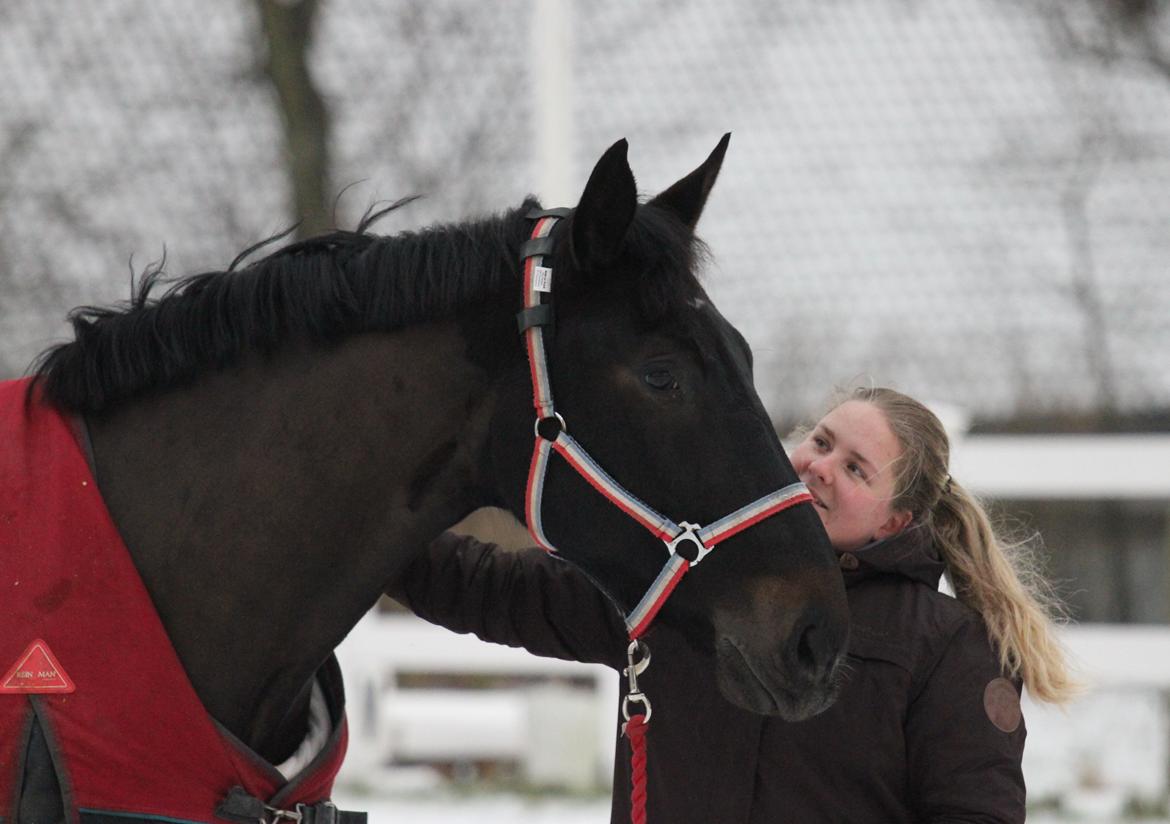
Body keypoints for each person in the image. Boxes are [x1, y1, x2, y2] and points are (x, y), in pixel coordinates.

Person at [391, 386, 1077, 823]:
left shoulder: (945, 646)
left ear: (895, 523)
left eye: (856, 469)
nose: (820, 466)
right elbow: (498, 592)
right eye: (822, 441)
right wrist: (359, 535)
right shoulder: (683, 583)